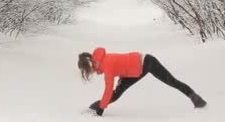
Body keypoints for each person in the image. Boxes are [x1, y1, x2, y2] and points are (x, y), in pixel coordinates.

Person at [77, 47, 206, 116]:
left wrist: (102, 110)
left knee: (171, 81)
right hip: (131, 73)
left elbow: (108, 88)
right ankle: (94, 108)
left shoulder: (107, 64)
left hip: (146, 63)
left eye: (88, 70)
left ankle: (197, 99)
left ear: (90, 64)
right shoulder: (101, 62)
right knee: (115, 95)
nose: (91, 72)